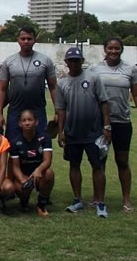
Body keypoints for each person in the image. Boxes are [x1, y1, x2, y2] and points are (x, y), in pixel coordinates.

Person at [57, 47, 112, 218]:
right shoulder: (62, 83)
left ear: (82, 61)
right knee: (74, 165)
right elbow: (61, 109)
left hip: (93, 132)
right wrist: (60, 131)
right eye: (71, 60)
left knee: (97, 166)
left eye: (77, 60)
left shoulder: (93, 78)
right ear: (66, 62)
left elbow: (104, 103)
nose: (74, 63)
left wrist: (107, 126)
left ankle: (100, 203)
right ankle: (77, 200)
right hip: (72, 132)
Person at [87, 37, 137, 212]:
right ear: (105, 49)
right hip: (100, 123)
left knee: (122, 161)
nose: (113, 51)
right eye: (110, 48)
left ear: (121, 50)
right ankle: (97, 198)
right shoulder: (95, 69)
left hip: (122, 122)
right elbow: (90, 94)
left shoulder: (130, 69)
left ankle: (126, 200)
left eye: (117, 49)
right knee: (99, 161)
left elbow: (135, 95)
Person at [0, 26, 57, 142]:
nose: (26, 41)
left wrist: (57, 111)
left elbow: (53, 87)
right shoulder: (9, 61)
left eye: (29, 39)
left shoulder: (45, 60)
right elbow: (2, 89)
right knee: (13, 145)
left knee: (41, 144)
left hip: (37, 110)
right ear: (17, 40)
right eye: (23, 38)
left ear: (35, 40)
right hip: (15, 110)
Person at [9, 109, 55, 217]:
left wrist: (38, 171)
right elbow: (15, 167)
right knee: (20, 187)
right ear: (20, 124)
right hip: (24, 174)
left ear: (36, 122)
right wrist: (22, 180)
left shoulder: (45, 138)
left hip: (39, 174)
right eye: (24, 120)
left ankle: (41, 205)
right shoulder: (15, 142)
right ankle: (24, 202)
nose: (27, 123)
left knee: (49, 174)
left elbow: (47, 161)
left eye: (30, 119)